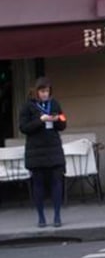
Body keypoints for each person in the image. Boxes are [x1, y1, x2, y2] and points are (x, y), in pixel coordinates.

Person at [19, 77, 67, 227]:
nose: (45, 94)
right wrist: (41, 120)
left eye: (47, 91)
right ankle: (41, 217)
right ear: (36, 92)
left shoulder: (54, 103)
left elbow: (63, 122)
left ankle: (57, 216)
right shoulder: (28, 106)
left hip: (53, 148)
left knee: (57, 182)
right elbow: (23, 127)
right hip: (36, 150)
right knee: (38, 183)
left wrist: (57, 119)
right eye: (42, 91)